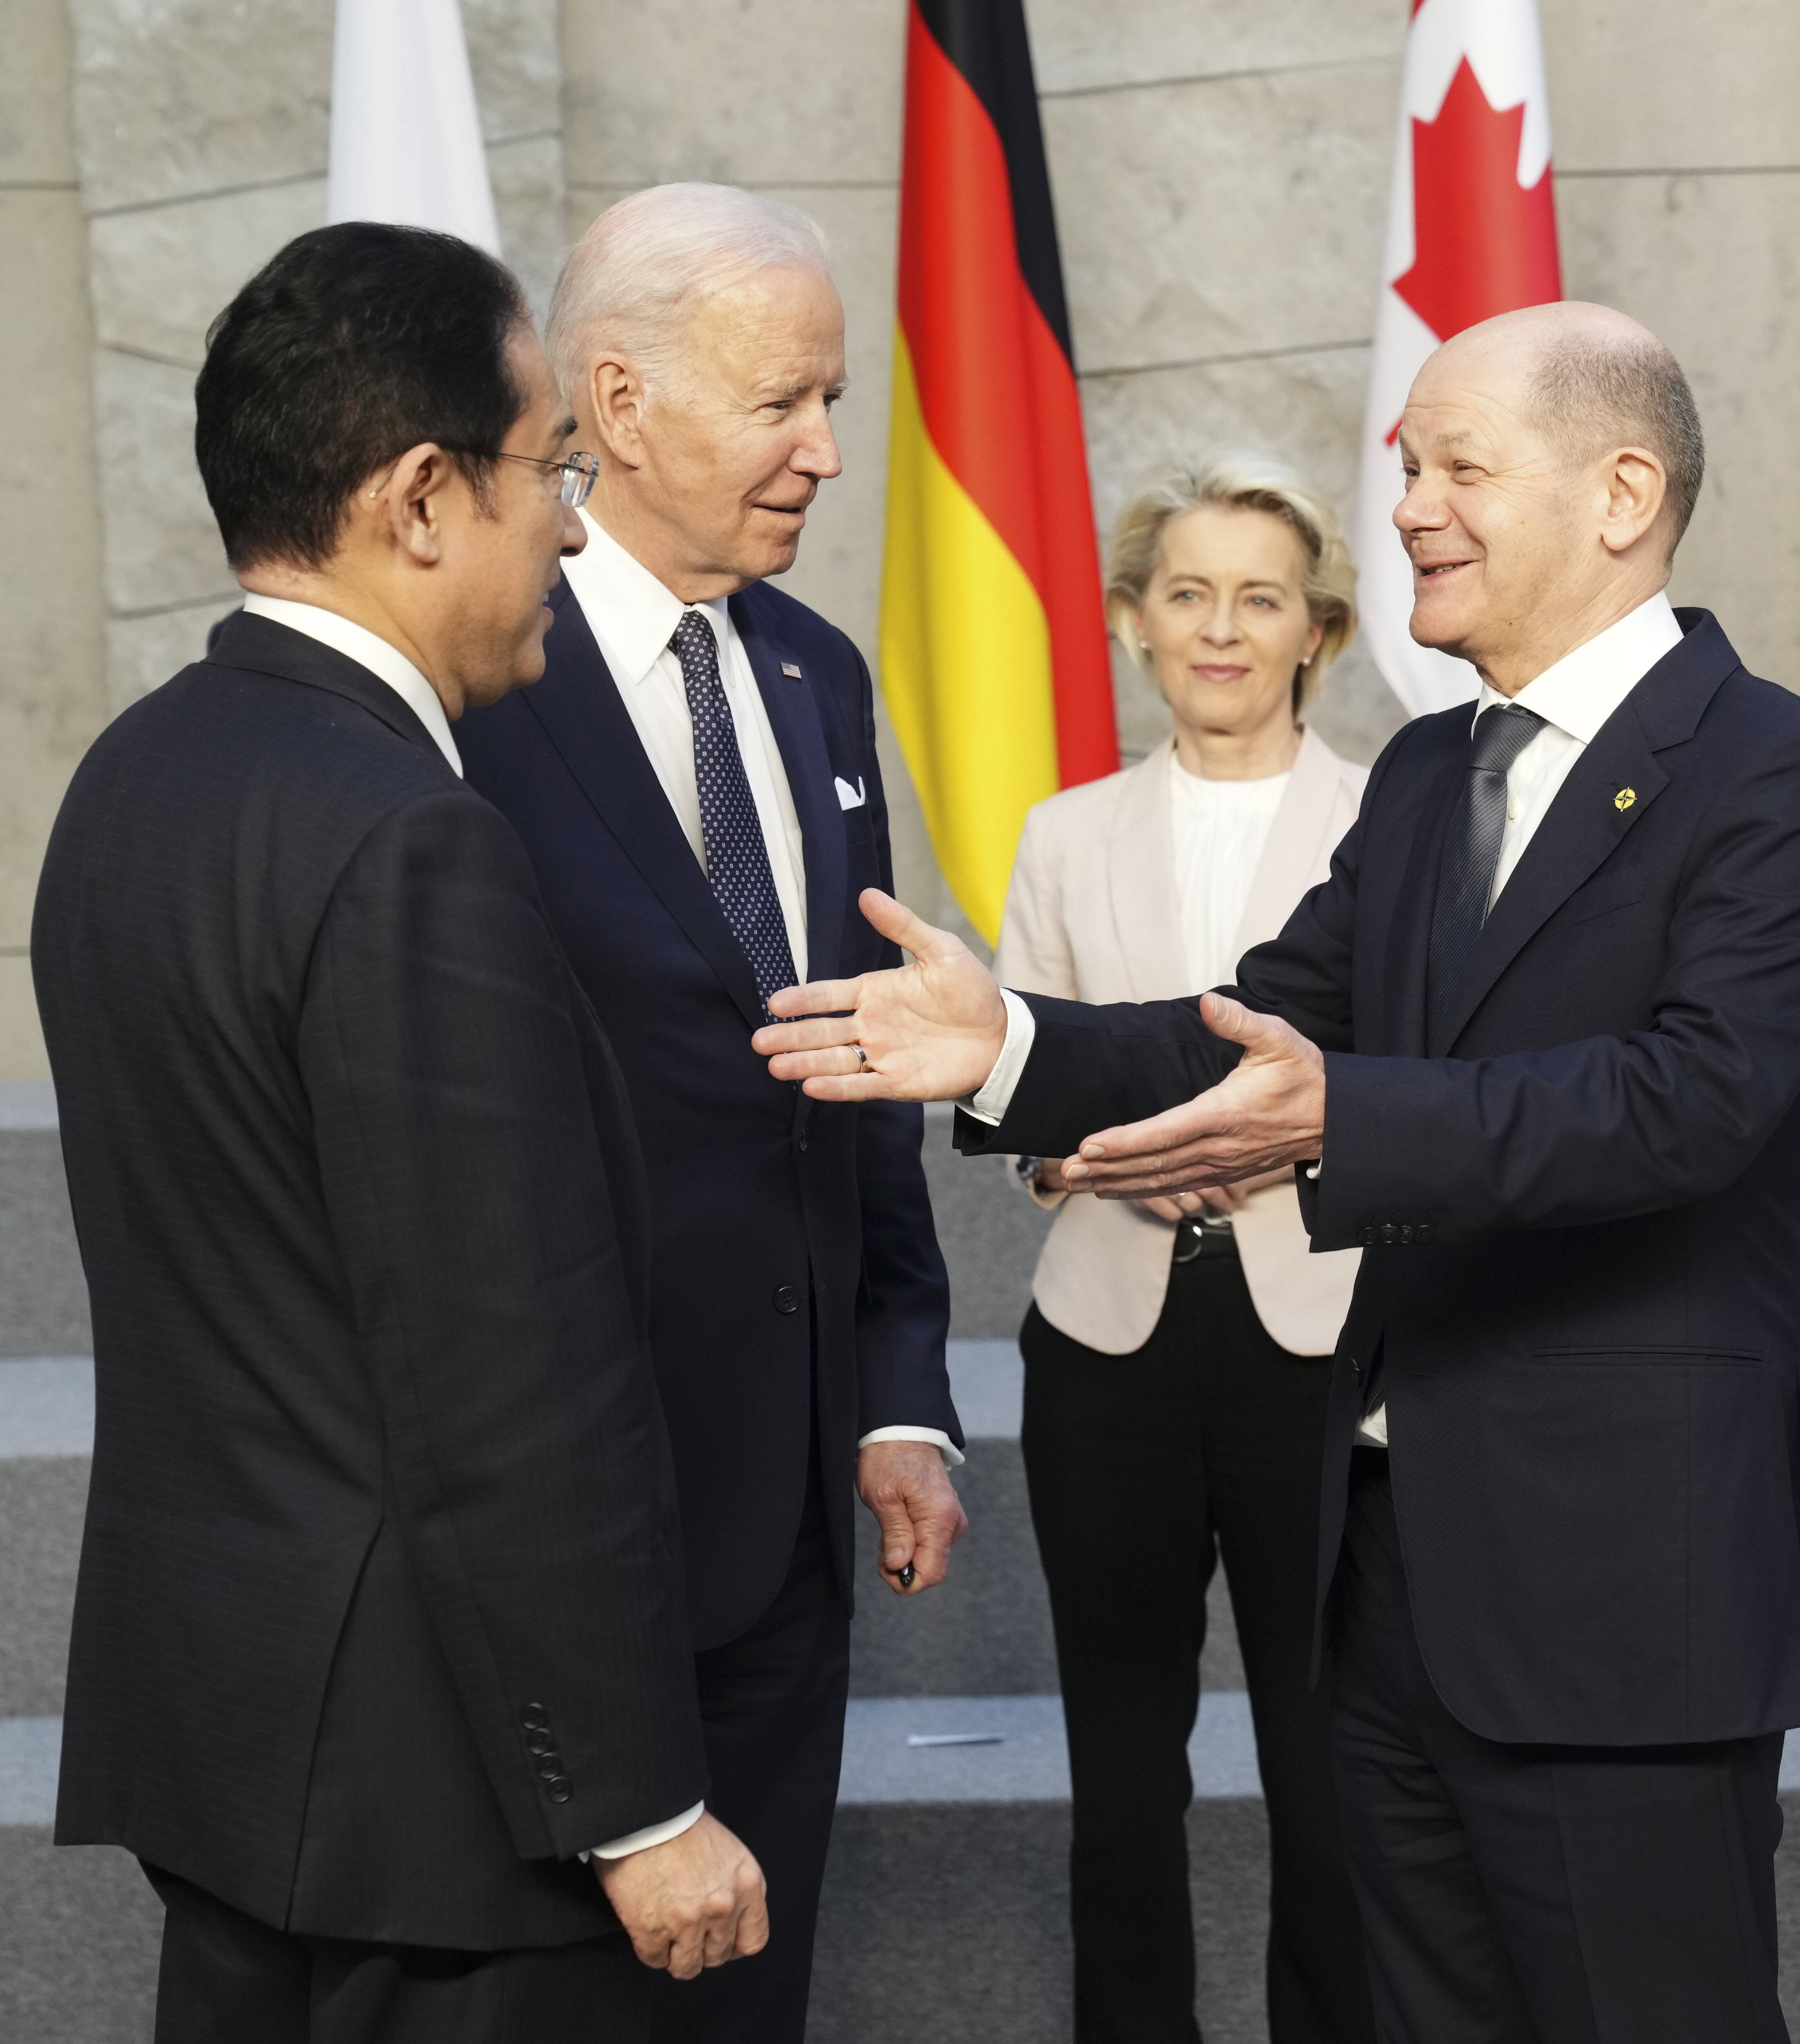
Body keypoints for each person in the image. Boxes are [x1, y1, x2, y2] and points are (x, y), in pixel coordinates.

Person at [755, 301, 1800, 2044]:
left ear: (1620, 494)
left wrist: (1340, 1120)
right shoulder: (1430, 774)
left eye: (1456, 468)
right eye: (1409, 466)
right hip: (1395, 1580)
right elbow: (1260, 1024)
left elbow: (1690, 1106)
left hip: (1615, 1595)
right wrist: (1012, 1050)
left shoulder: (1780, 773)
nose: (1412, 502)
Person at [31, 223, 770, 2042]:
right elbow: (505, 1378)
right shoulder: (413, 844)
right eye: (554, 475)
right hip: (447, 1827)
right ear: (423, 497)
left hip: (228, 1747)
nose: (576, 531)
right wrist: (641, 1804)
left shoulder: (132, 780)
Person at [454, 183, 964, 2044]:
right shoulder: (465, 690)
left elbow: (869, 1054)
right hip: (560, 1517)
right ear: (622, 396)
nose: (830, 453)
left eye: (835, 400)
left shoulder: (822, 676)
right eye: (786, 403)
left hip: (792, 1515)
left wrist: (899, 1388)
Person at [995, 456, 1374, 2044]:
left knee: (1333, 1774)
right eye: (1189, 593)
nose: (1222, 627)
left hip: (1324, 1346)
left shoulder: (1395, 826)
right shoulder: (1063, 835)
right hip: (1108, 1349)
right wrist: (1104, 1158)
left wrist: (1281, 1140)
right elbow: (1014, 1106)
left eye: (1260, 598)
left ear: (1318, 631)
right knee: (1122, 1775)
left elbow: (1434, 1091)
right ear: (1138, 622)